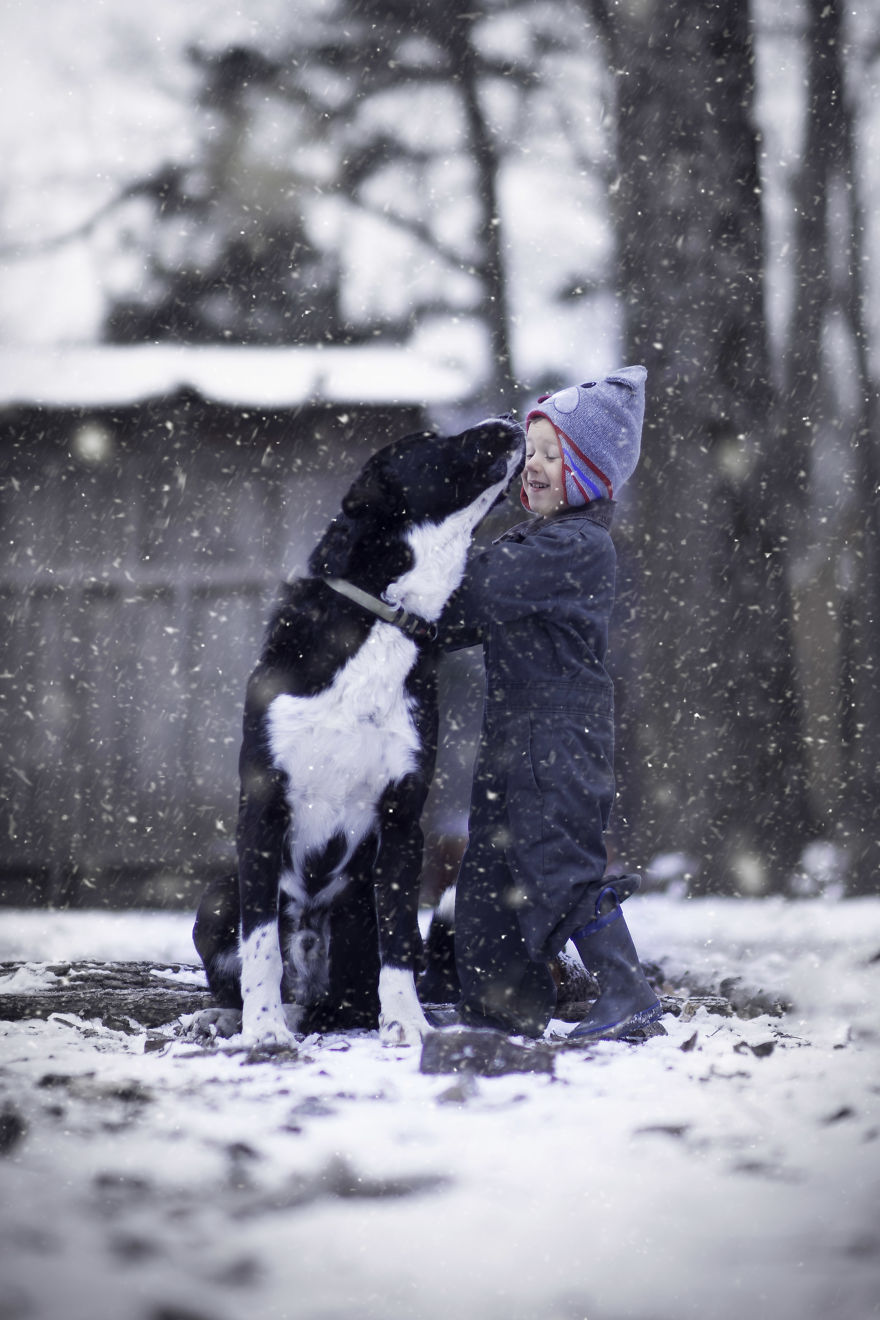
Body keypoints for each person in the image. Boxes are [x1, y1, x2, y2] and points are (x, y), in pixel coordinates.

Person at [436, 367, 662, 1041]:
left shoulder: (576, 546)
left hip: (556, 737)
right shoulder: (538, 539)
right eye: (528, 454)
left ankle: (628, 994)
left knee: (556, 863)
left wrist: (438, 548)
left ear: (588, 473)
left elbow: (471, 597)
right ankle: (499, 1006)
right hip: (516, 735)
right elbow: (458, 623)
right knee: (490, 875)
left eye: (548, 456)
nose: (529, 468)